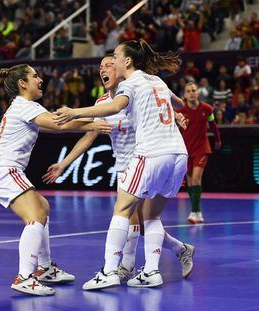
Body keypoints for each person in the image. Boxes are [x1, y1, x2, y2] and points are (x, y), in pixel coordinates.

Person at [54, 39, 194, 289]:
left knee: (122, 211)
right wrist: (175, 114)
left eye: (114, 58)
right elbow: (178, 103)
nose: (109, 64)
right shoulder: (156, 80)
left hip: (148, 156)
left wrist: (74, 112)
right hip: (177, 154)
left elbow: (117, 106)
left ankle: (110, 271)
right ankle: (151, 269)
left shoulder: (130, 85)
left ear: (126, 61)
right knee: (150, 217)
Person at [0, 64, 113, 296]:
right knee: (35, 215)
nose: (40, 79)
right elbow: (58, 124)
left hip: (1, 171)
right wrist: (93, 123)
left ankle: (45, 268)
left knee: (43, 206)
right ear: (23, 84)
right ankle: (25, 277)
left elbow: (59, 126)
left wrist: (90, 123)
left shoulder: (26, 108)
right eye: (35, 76)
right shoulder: (24, 106)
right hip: (2, 170)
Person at [176, 82, 221, 224]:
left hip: (202, 149)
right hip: (185, 150)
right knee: (189, 181)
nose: (191, 93)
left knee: (195, 179)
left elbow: (213, 125)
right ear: (184, 95)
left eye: (193, 90)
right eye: (188, 91)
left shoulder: (207, 109)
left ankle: (196, 212)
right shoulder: (180, 110)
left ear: (198, 93)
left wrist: (218, 140)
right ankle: (194, 210)